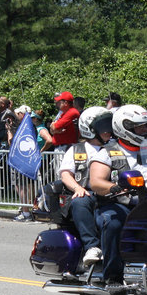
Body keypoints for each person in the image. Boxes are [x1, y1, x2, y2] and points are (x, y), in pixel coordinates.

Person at [88, 104, 147, 285]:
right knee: (114, 223)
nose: (144, 130)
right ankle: (113, 277)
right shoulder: (108, 152)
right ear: (125, 128)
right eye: (139, 127)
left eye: (145, 126)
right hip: (116, 205)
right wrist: (114, 187)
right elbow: (95, 181)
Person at [61, 106, 115, 267]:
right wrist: (77, 188)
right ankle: (92, 247)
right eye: (103, 126)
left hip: (112, 193)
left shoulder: (115, 148)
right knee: (80, 201)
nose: (108, 130)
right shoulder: (76, 150)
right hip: (87, 192)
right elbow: (65, 174)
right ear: (90, 129)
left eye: (109, 125)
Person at [8, 104, 55, 221]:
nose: (16, 115)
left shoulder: (28, 128)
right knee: (29, 186)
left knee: (22, 187)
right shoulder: (30, 127)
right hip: (31, 161)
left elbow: (11, 142)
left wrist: (9, 130)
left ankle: (26, 212)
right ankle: (30, 209)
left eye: (18, 113)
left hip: (25, 161)